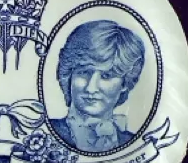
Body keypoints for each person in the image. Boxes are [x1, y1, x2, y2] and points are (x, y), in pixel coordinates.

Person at [50, 19, 145, 152]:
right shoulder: (44, 133)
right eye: (84, 72)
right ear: (69, 76)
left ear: (125, 83)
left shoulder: (134, 143)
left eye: (106, 76)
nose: (91, 88)